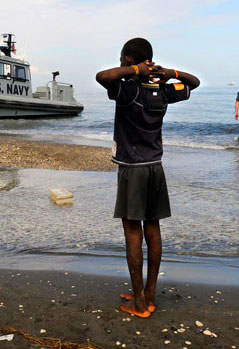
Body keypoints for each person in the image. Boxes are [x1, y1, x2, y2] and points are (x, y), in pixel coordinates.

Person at [96, 38, 200, 318]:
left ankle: (140, 303)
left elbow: (102, 76)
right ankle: (148, 294)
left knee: (133, 232)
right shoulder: (162, 90)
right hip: (156, 167)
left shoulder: (127, 89)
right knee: (152, 229)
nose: (120, 63)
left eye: (122, 58)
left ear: (129, 60)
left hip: (132, 168)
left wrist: (136, 71)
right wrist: (171, 74)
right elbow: (194, 83)